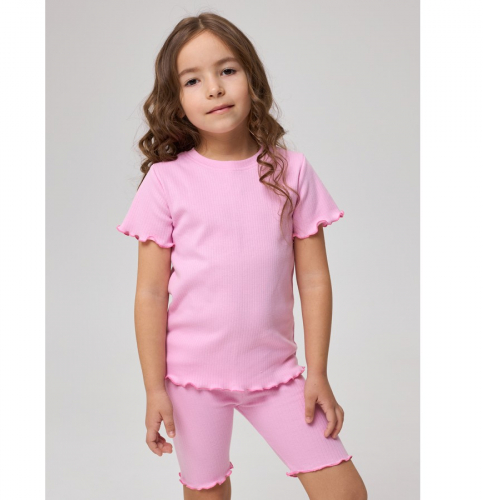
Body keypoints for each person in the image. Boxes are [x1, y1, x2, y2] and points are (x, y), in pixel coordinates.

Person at [116, 12, 368, 500]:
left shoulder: (291, 171)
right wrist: (154, 389)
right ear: (175, 99)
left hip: (277, 376)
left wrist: (317, 373)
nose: (214, 88)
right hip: (190, 381)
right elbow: (150, 293)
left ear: (252, 77)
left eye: (227, 70)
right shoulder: (166, 181)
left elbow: (314, 280)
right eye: (193, 80)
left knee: (345, 493)